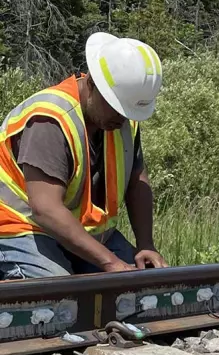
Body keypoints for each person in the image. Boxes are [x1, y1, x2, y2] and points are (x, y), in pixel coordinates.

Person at [0, 32, 167, 279]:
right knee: (60, 294)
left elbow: (136, 182)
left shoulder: (121, 122)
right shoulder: (51, 120)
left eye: (128, 111)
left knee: (142, 285)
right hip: (19, 228)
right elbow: (45, 210)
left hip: (80, 230)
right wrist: (110, 262)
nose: (122, 118)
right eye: (116, 106)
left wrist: (146, 244)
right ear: (91, 84)